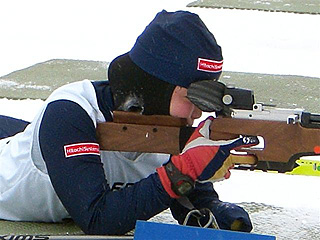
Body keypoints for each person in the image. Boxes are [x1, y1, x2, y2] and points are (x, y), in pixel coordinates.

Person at [0, 10, 257, 235]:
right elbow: (97, 218)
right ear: (156, 89)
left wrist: (217, 212)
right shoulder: (71, 111)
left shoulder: (165, 129)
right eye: (192, 97)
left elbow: (190, 201)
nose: (197, 113)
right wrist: (183, 170)